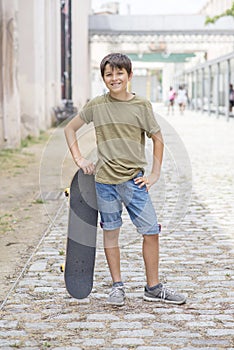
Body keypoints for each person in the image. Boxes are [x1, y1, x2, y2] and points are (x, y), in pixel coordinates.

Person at [64, 53, 186, 306]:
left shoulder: (141, 105)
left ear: (129, 76)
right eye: (109, 74)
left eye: (119, 73)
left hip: (134, 182)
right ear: (103, 78)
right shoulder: (97, 105)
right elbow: (70, 128)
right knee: (111, 233)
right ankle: (117, 286)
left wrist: (154, 173)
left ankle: (153, 288)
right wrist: (79, 159)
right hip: (104, 183)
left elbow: (158, 138)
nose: (114, 78)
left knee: (151, 232)